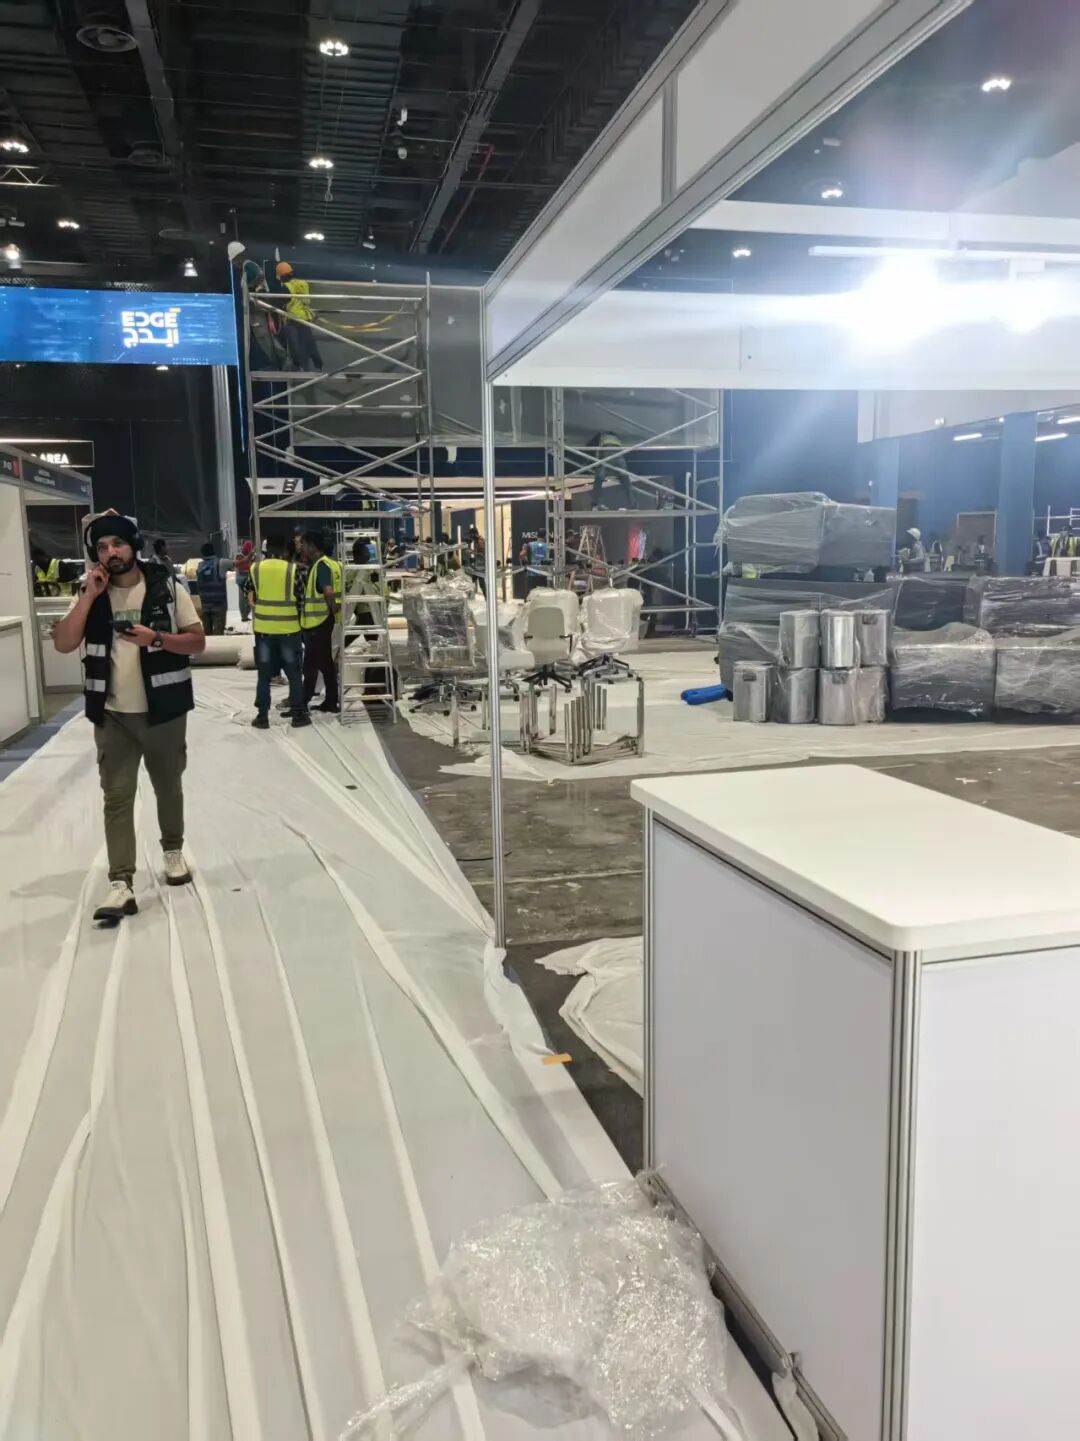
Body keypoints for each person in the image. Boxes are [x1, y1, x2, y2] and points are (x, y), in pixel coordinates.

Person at [52, 510, 205, 921]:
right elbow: (64, 643)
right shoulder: (90, 593)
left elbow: (197, 642)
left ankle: (173, 850)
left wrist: (156, 638)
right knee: (116, 797)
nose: (111, 552)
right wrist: (88, 597)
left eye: (117, 543)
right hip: (112, 716)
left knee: (168, 787)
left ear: (133, 545)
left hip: (163, 712)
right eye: (102, 546)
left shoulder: (167, 587)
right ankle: (121, 881)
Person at [249, 533, 308, 729]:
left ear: (266, 549)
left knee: (264, 676)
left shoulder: (255, 568)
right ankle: (298, 715)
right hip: (289, 630)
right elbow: (301, 598)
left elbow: (249, 592)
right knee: (294, 674)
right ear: (284, 549)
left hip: (263, 631)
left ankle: (262, 717)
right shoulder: (292, 570)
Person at [299, 531, 342, 712]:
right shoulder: (333, 564)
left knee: (310, 666)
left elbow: (328, 591)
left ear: (312, 545)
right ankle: (331, 701)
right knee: (325, 664)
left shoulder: (321, 567)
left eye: (303, 545)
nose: (302, 549)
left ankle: (301, 703)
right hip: (325, 621)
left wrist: (332, 607)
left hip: (317, 623)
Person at [276, 262, 324, 372]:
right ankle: (319, 365)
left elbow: (279, 303)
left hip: (292, 319)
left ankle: (299, 367)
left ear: (281, 276)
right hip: (304, 318)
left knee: (295, 345)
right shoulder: (303, 284)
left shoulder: (286, 288)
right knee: (310, 343)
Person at [196, 541, 229, 635]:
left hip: (204, 605)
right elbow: (238, 563)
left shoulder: (199, 566)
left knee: (207, 635)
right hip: (218, 605)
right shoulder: (221, 563)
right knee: (218, 635)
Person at [233, 538, 255, 622]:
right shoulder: (239, 556)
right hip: (242, 581)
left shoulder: (249, 556)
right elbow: (242, 567)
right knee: (243, 599)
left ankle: (246, 615)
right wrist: (249, 559)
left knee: (249, 599)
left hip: (247, 580)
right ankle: (243, 616)